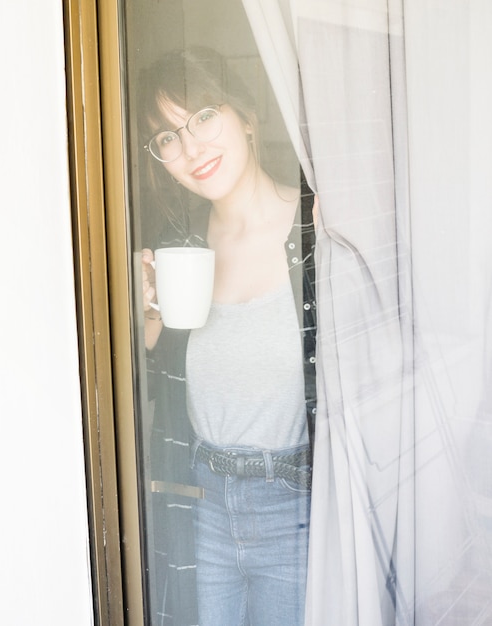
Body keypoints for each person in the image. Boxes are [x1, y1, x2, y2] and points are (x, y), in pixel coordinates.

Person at [139, 46, 317, 626]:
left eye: (203, 118)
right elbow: (146, 400)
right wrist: (142, 329)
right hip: (201, 505)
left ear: (245, 115)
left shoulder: (318, 228)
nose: (190, 149)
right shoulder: (176, 247)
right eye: (167, 138)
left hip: (299, 509)